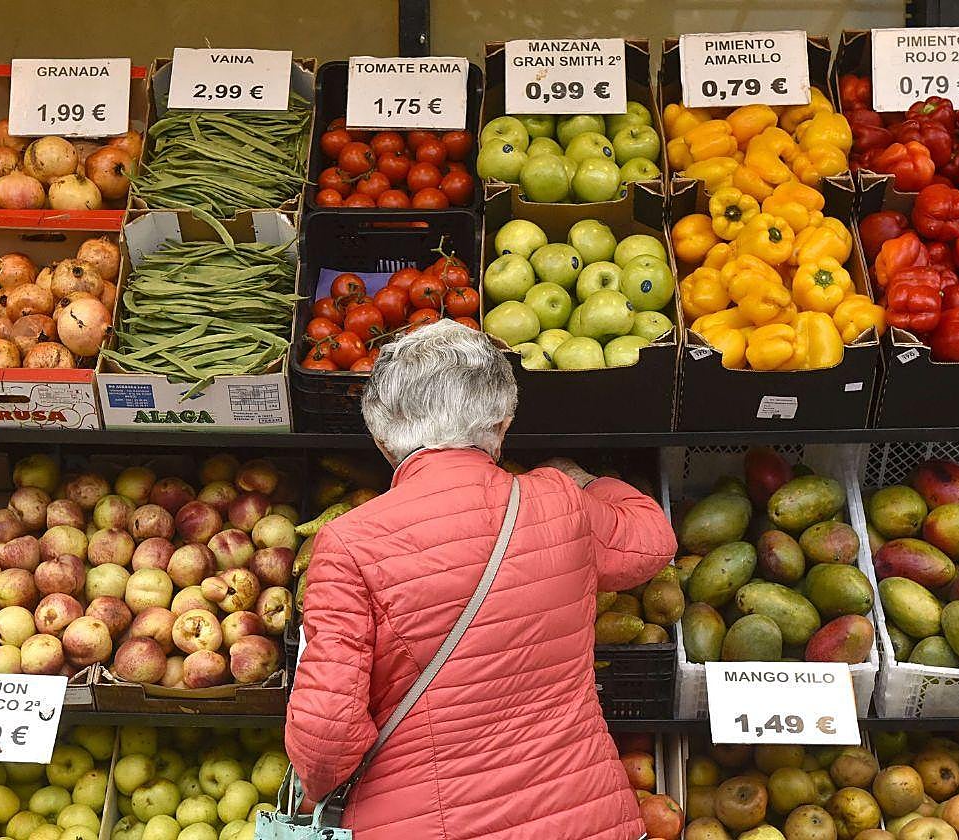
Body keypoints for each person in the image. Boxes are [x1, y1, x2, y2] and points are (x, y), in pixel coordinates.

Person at [285, 320, 676, 840]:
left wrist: (318, 788)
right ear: (503, 422)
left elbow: (326, 737)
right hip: (583, 819)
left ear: (380, 435)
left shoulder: (348, 543)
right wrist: (586, 480)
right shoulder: (559, 502)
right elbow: (651, 540)